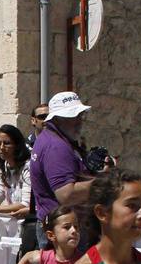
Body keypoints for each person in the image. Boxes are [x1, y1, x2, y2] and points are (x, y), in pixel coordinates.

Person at [29, 92, 99, 240]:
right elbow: (66, 194)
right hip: (64, 232)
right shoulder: (55, 146)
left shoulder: (51, 139)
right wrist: (104, 181)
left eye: (81, 115)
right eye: (74, 116)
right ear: (58, 119)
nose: (80, 121)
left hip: (59, 228)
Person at [0, 124, 32, 227]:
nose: (2, 147)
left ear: (17, 145)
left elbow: (25, 204)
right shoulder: (5, 166)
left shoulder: (28, 167)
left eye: (7, 143)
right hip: (15, 223)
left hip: (30, 223)